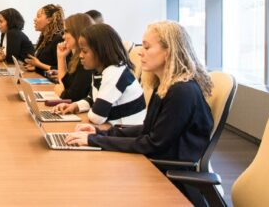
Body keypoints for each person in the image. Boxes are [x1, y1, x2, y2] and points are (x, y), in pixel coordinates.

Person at [65, 21, 214, 163]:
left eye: (147, 47)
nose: (141, 53)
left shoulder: (182, 92)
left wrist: (94, 140)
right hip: (155, 162)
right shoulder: (166, 86)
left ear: (168, 51)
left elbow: (152, 144)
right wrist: (98, 133)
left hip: (166, 175)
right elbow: (148, 131)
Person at [54, 23, 146, 126]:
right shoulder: (99, 71)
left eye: (84, 51)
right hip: (113, 129)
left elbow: (97, 117)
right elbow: (91, 99)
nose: (80, 56)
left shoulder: (114, 72)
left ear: (101, 51)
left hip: (128, 134)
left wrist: (92, 111)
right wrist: (75, 106)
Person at [53, 13, 94, 101]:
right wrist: (61, 57)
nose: (63, 36)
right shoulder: (77, 56)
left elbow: (73, 97)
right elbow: (65, 84)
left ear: (77, 32)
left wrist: (61, 93)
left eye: (66, 31)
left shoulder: (88, 59)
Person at [24, 4, 65, 75]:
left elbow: (62, 69)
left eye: (38, 16)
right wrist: (35, 66)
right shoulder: (44, 37)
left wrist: (38, 64)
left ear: (49, 20)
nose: (35, 19)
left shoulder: (58, 39)